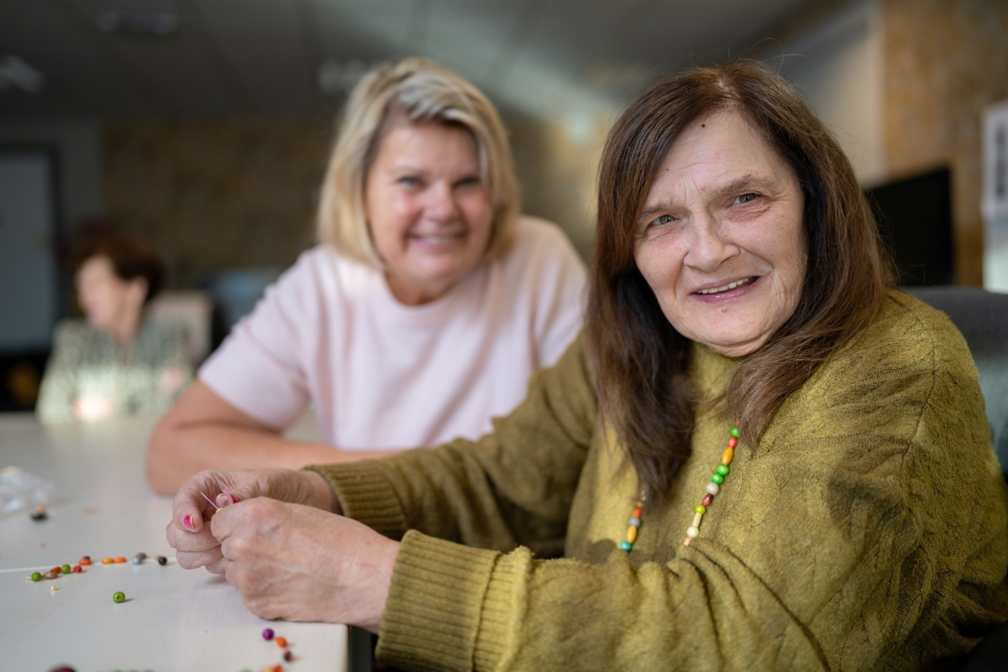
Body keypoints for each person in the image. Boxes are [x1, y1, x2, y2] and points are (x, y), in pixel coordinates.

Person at [166, 60, 1008, 670]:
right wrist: (320, 493)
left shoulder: (894, 368)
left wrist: (373, 578)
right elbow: (499, 482)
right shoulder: (639, 338)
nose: (707, 251)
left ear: (815, 205)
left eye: (743, 199)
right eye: (661, 221)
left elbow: (742, 638)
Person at [145, 58, 587, 494]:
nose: (443, 209)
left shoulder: (539, 258)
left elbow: (601, 437)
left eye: (468, 182)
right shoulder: (321, 286)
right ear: (359, 192)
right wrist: (402, 474)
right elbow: (171, 450)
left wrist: (383, 479)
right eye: (412, 181)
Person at [37, 237, 192, 423]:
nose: (84, 298)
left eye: (96, 283)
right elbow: (50, 409)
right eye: (82, 287)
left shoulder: (170, 335)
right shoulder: (73, 337)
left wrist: (98, 409)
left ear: (136, 289)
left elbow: (184, 406)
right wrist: (155, 394)